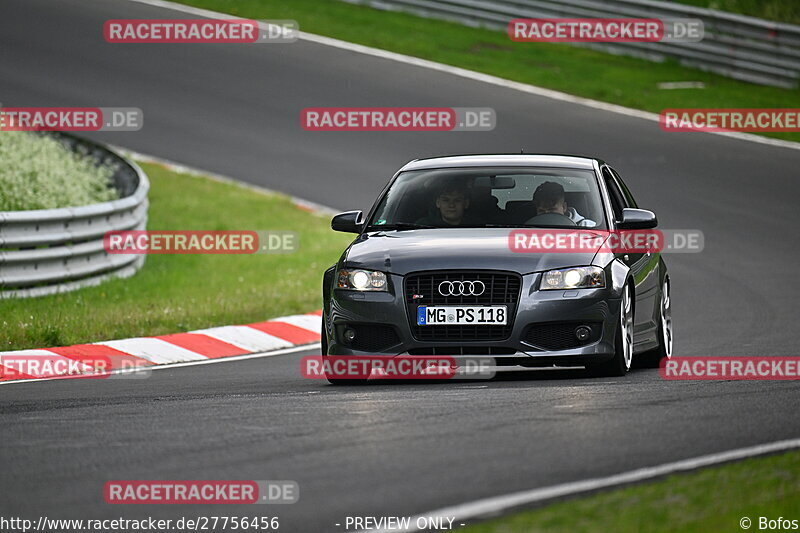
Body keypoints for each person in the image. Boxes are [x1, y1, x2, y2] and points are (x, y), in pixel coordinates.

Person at [525, 181, 596, 227]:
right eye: (542, 211)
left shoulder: (587, 227)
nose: (547, 215)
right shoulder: (526, 230)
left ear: (564, 207)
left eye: (552, 210)